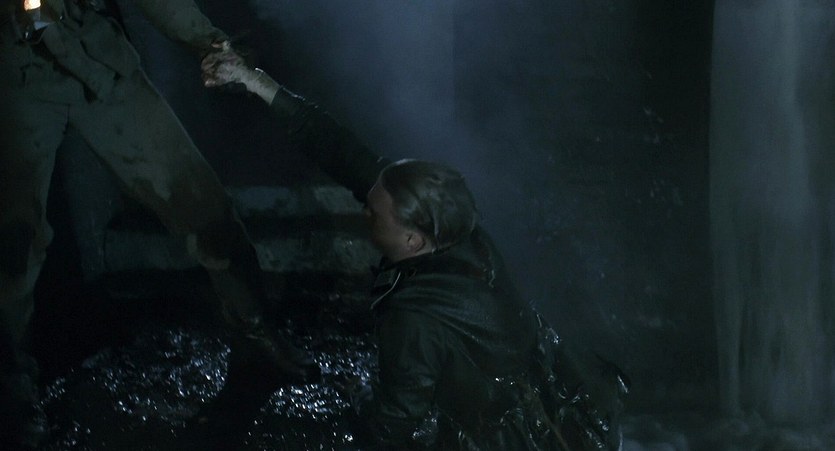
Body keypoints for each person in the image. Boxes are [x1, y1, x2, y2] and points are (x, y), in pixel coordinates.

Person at [203, 56, 628, 450]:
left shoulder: (415, 317)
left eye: (374, 213)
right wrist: (259, 84)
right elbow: (343, 153)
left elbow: (392, 425)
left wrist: (361, 397)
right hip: (550, 406)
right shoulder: (454, 228)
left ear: (411, 241)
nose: (365, 210)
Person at [0, 1, 317, 447]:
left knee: (204, 208)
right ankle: (10, 384)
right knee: (13, 249)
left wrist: (211, 43)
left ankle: (257, 336)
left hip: (102, 65)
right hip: (17, 79)